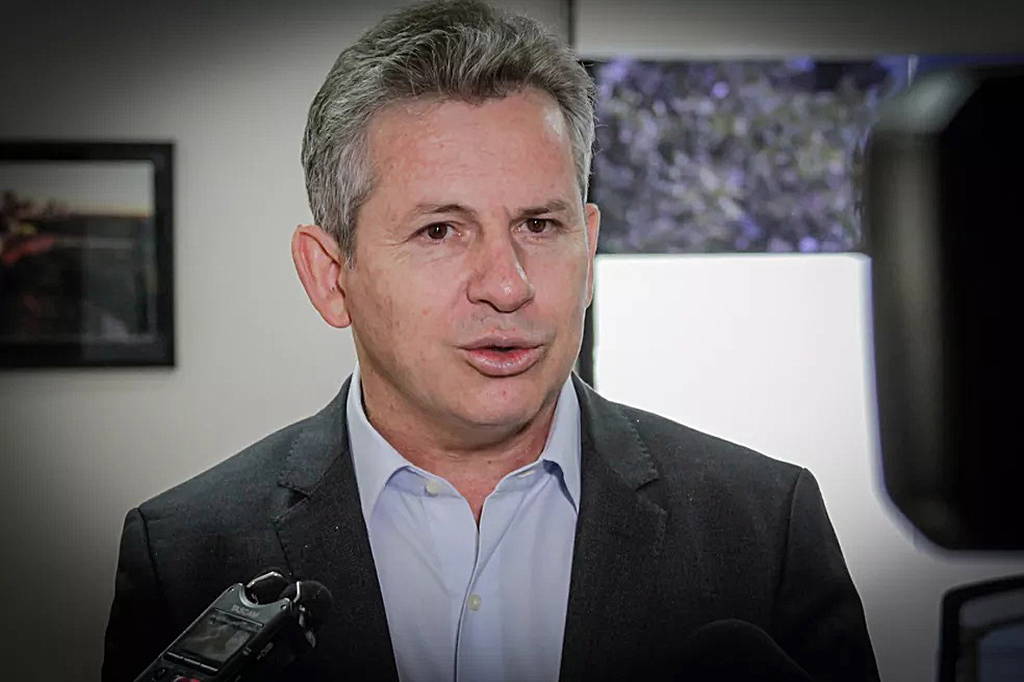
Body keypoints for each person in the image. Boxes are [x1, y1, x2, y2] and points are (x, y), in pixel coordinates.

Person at [102, 1, 879, 680]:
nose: (507, 285)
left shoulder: (764, 527)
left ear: (588, 247)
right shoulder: (187, 554)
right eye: (441, 230)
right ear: (330, 276)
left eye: (539, 225)